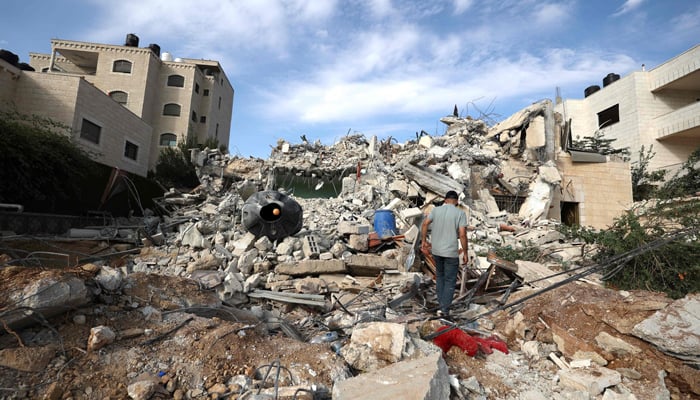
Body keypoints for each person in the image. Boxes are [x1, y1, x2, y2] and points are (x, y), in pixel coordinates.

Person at [421, 190, 468, 317]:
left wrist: (424, 241)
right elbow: (462, 234)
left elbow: (425, 224)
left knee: (440, 277)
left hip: (437, 251)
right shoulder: (460, 213)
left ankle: (442, 306)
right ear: (457, 202)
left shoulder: (435, 211)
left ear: (445, 200)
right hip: (451, 252)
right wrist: (465, 252)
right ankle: (444, 310)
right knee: (450, 280)